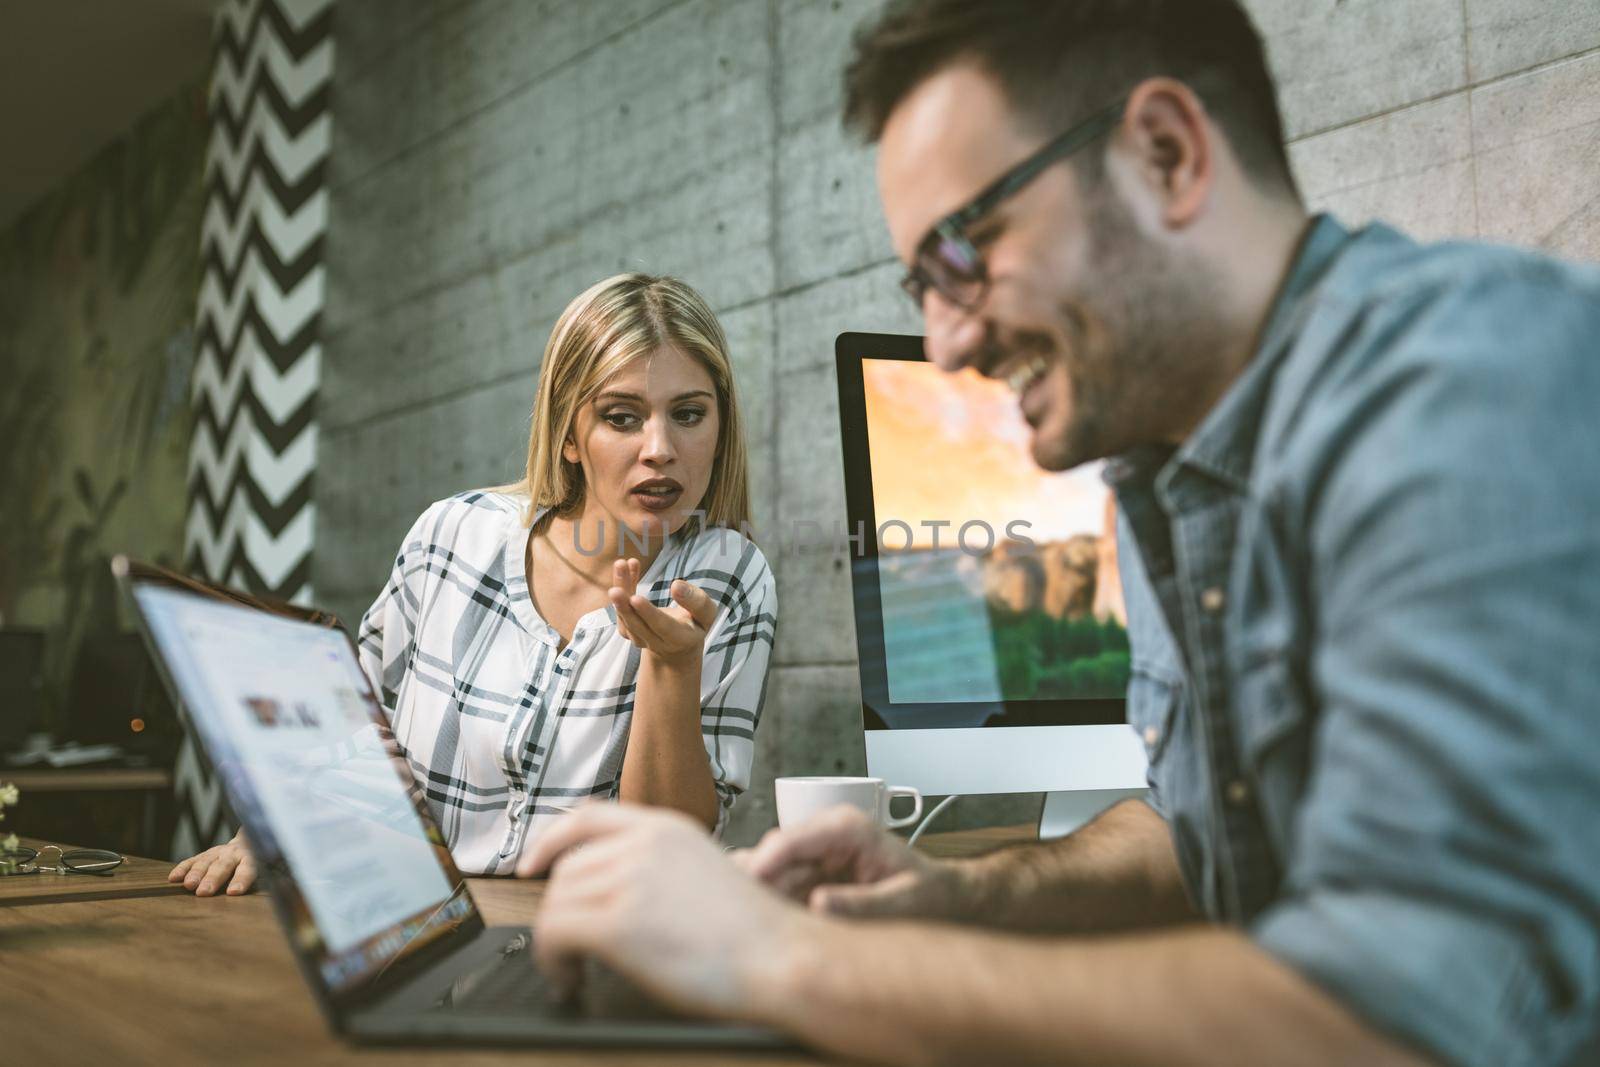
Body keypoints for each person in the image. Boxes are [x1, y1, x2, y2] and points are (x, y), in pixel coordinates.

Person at [513, 2, 1600, 1065]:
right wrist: (958, 890)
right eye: (920, 284)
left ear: (1166, 155)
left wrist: (771, 953)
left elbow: (1406, 1014)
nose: (945, 342)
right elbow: (1192, 830)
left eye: (965, 248)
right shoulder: (1167, 466)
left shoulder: (1469, 382)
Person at [170, 273, 777, 891]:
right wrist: (284, 823)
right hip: (421, 924)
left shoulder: (727, 577)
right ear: (568, 435)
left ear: (720, 426)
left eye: (689, 415)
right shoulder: (452, 536)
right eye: (621, 417)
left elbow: (669, 851)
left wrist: (672, 670)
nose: (660, 448)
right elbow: (357, 726)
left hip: (590, 945)